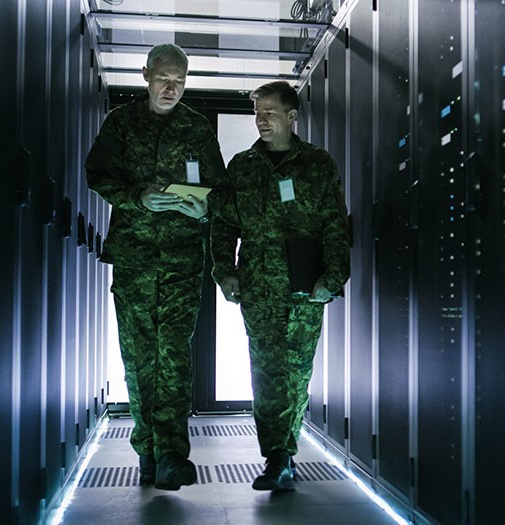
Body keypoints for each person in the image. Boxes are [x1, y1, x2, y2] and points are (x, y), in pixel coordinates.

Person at [85, 43, 226, 490]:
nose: (171, 88)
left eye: (179, 81)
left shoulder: (197, 128)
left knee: (175, 353)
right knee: (140, 354)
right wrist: (136, 197)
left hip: (183, 258)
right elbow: (97, 174)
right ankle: (147, 449)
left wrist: (203, 210)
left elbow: (218, 189)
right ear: (146, 74)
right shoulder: (121, 123)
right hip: (135, 257)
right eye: (164, 78)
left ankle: (171, 454)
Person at [210, 80, 351, 491]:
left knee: (297, 373)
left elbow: (335, 225)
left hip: (306, 287)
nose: (261, 120)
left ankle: (284, 452)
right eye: (258, 113)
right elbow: (224, 225)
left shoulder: (317, 164)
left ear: (291, 117)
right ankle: (277, 457)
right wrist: (225, 272)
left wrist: (332, 278)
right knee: (267, 371)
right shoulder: (242, 166)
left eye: (270, 112)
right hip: (259, 285)